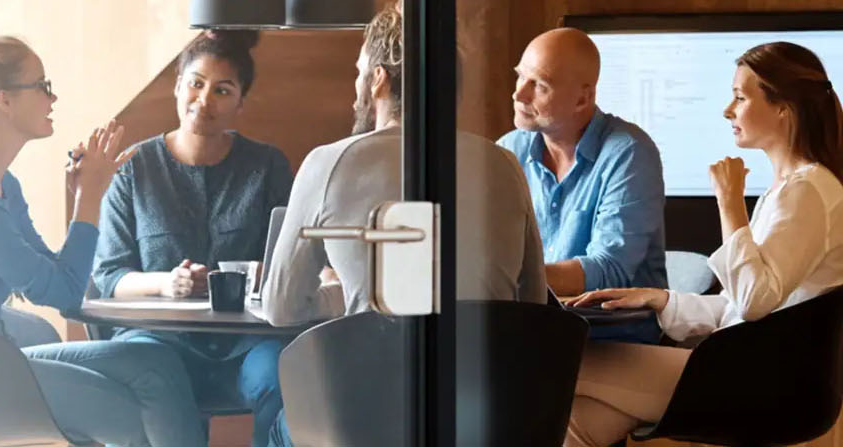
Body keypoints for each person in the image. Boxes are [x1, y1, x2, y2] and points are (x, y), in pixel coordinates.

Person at [259, 5, 549, 445]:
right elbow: (531, 306)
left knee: (280, 422)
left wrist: (352, 294)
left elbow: (281, 307)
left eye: (359, 72)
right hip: (487, 415)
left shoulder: (328, 163)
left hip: (370, 415)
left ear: (377, 78)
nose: (356, 85)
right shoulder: (505, 164)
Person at [0, 33, 206, 447]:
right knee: (125, 413)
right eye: (42, 86)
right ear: (4, 100)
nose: (52, 98)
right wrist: (89, 199)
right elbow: (66, 295)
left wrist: (82, 199)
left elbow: (56, 275)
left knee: (155, 362)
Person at [561, 41, 843, 447]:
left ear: (784, 108)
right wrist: (660, 299)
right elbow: (750, 308)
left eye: (740, 97)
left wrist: (730, 204)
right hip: (759, 373)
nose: (728, 110)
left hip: (767, 386)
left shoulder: (808, 190)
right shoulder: (796, 188)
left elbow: (754, 301)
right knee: (582, 421)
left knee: (571, 363)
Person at [91, 30, 292, 447]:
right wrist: (167, 283)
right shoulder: (134, 168)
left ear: (240, 103)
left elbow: (288, 261)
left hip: (249, 342)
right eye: (196, 84)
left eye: (222, 90)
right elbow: (109, 276)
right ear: (177, 86)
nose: (204, 100)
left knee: (283, 373)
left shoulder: (267, 165)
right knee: (145, 368)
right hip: (159, 340)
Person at [497, 27, 669, 343]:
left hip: (614, 338)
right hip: (540, 332)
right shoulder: (509, 150)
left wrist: (513, 277)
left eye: (540, 85)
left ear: (582, 98)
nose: (519, 94)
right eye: (521, 77)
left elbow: (610, 269)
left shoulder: (630, 153)